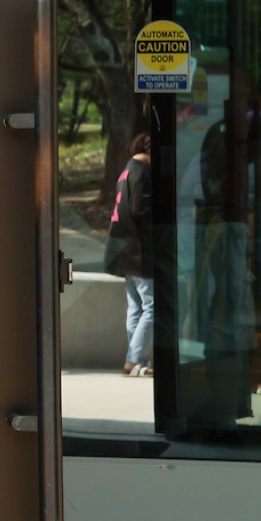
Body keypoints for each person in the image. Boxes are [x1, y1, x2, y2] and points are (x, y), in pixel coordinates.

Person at [104, 131, 153, 377]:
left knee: (135, 306)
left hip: (124, 249)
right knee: (152, 306)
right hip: (139, 250)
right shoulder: (142, 173)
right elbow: (140, 211)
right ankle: (134, 360)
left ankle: (137, 362)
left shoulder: (126, 170)